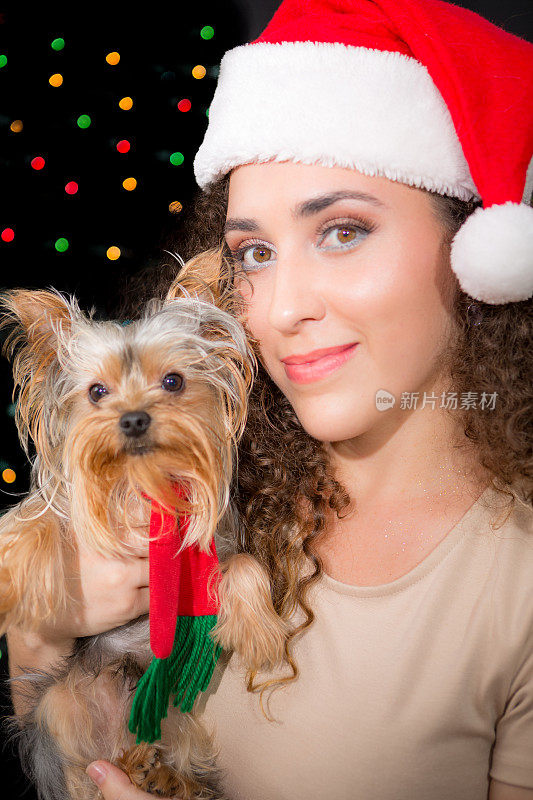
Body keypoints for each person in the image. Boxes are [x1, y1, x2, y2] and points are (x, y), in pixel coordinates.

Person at [5, 0, 533, 798]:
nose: (279, 308)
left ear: (471, 245)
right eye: (252, 251)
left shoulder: (514, 588)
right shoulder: (202, 480)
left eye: (343, 230)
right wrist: (37, 644)